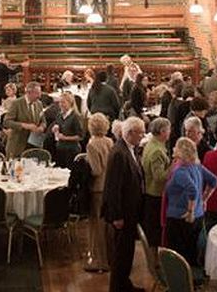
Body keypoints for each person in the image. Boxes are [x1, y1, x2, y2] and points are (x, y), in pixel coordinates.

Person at [102, 117, 146, 292]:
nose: (142, 136)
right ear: (129, 133)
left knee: (127, 253)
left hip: (130, 210)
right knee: (121, 254)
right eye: (140, 133)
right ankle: (118, 287)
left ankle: (124, 284)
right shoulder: (120, 153)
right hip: (123, 213)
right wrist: (117, 216)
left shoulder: (129, 149)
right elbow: (113, 188)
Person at [162, 137, 217, 267]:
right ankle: (192, 280)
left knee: (179, 255)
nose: (173, 148)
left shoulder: (181, 171)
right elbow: (214, 181)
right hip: (197, 216)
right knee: (192, 251)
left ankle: (180, 282)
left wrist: (190, 210)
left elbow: (192, 190)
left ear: (181, 151)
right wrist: (204, 199)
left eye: (176, 146)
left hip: (181, 218)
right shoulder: (197, 166)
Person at [84, 113, 113, 273]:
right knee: (106, 225)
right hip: (108, 185)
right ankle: (108, 257)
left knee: (97, 226)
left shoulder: (92, 145)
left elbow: (96, 170)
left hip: (97, 188)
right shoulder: (109, 141)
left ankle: (100, 261)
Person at [140, 118, 172, 248]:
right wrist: (173, 166)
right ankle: (156, 262)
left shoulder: (151, 144)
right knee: (156, 231)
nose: (170, 132)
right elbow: (159, 177)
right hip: (155, 194)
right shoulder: (157, 150)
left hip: (151, 191)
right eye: (169, 130)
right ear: (163, 131)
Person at [2, 81, 46, 157]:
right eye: (37, 93)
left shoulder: (39, 104)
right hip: (17, 145)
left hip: (34, 144)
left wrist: (41, 127)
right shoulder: (16, 103)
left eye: (40, 93)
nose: (39, 95)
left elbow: (43, 121)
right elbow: (6, 122)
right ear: (29, 93)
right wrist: (24, 125)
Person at [51, 93, 85, 165]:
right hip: (60, 148)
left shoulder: (76, 117)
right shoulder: (59, 115)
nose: (60, 104)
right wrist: (54, 129)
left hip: (71, 150)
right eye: (59, 102)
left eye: (63, 102)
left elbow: (80, 136)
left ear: (70, 103)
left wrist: (65, 138)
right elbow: (57, 126)